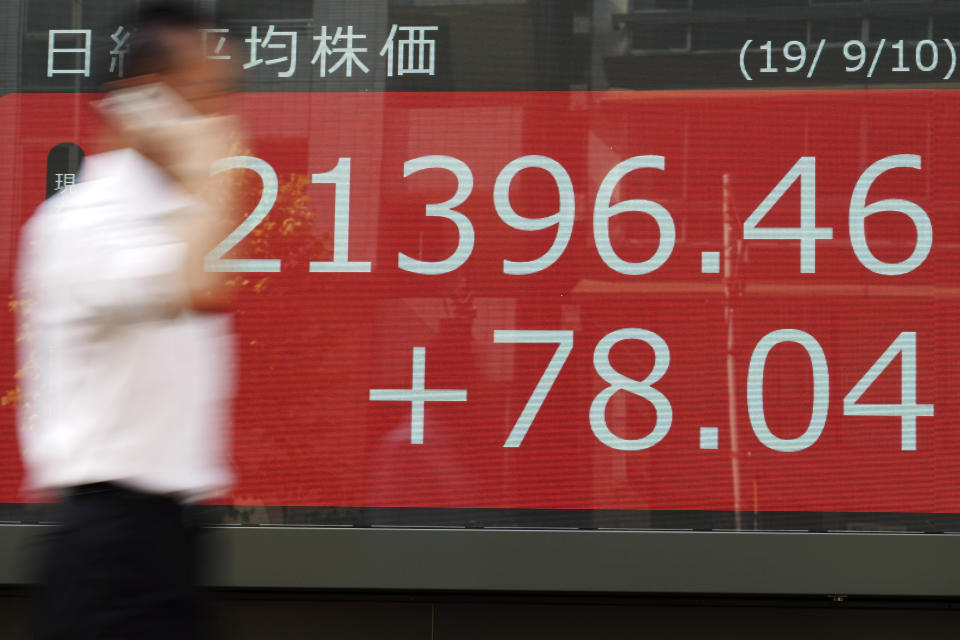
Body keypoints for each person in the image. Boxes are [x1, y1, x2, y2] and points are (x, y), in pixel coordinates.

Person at [16, 3, 239, 638]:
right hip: (111, 549)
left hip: (171, 538)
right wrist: (206, 178)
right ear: (144, 100)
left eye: (225, 97)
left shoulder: (168, 216)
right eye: (203, 95)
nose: (221, 120)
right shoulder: (88, 219)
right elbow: (191, 285)